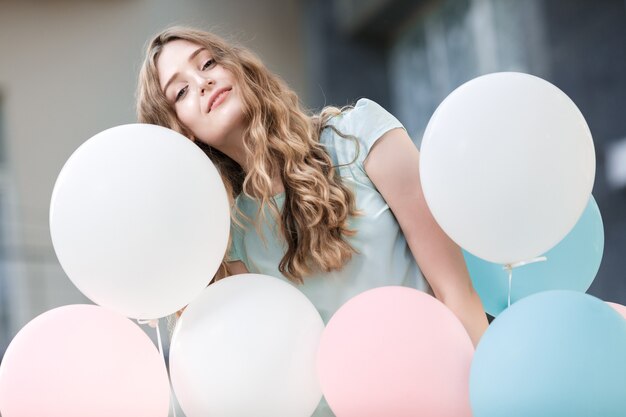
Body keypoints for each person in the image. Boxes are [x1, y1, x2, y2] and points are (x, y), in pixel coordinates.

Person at [136, 24, 487, 354]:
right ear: (183, 131)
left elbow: (456, 292)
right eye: (180, 91)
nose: (202, 81)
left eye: (208, 62)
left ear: (237, 68)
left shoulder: (362, 135)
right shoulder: (232, 239)